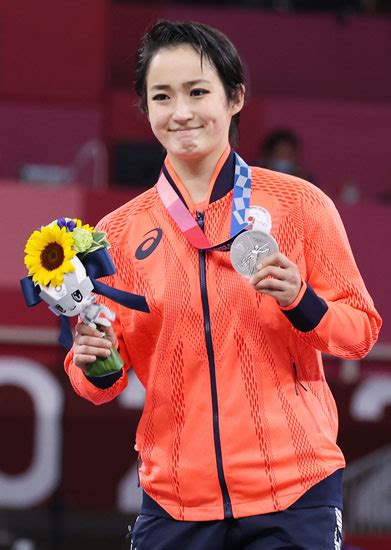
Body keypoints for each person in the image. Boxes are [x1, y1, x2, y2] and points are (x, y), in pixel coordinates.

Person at [64, 20, 381, 549]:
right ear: (145, 109)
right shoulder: (114, 235)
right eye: (162, 96)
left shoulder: (300, 204)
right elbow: (99, 383)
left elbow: (361, 331)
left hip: (295, 492)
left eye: (198, 92)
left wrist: (300, 299)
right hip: (175, 499)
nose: (182, 112)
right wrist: (93, 357)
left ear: (235, 98)